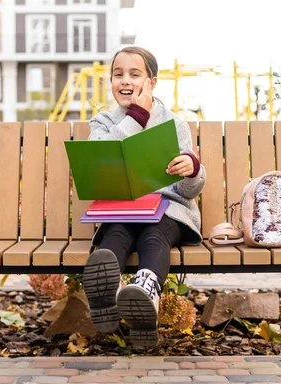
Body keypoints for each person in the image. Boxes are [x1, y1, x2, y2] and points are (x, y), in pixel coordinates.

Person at [82, 46, 206, 347]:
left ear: (151, 82)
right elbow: (101, 158)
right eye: (118, 74)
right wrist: (135, 118)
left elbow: (187, 192)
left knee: (154, 235)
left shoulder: (173, 124)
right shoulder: (103, 123)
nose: (125, 81)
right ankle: (107, 297)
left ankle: (145, 293)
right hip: (121, 208)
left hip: (167, 211)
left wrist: (192, 171)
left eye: (134, 74)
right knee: (117, 233)